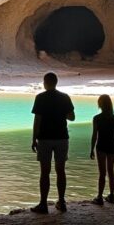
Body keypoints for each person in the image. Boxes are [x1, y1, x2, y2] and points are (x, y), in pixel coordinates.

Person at [30, 72, 75, 214]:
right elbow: (72, 117)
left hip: (44, 138)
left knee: (45, 172)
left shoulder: (40, 98)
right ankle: (61, 202)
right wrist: (61, 113)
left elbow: (37, 120)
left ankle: (43, 204)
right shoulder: (64, 97)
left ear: (45, 82)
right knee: (60, 170)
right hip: (62, 137)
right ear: (56, 82)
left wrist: (33, 139)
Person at [90, 94, 114, 205]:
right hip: (112, 146)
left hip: (101, 146)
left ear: (100, 104)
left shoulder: (97, 118)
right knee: (111, 171)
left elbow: (94, 135)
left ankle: (99, 197)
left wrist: (91, 149)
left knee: (102, 173)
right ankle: (112, 195)